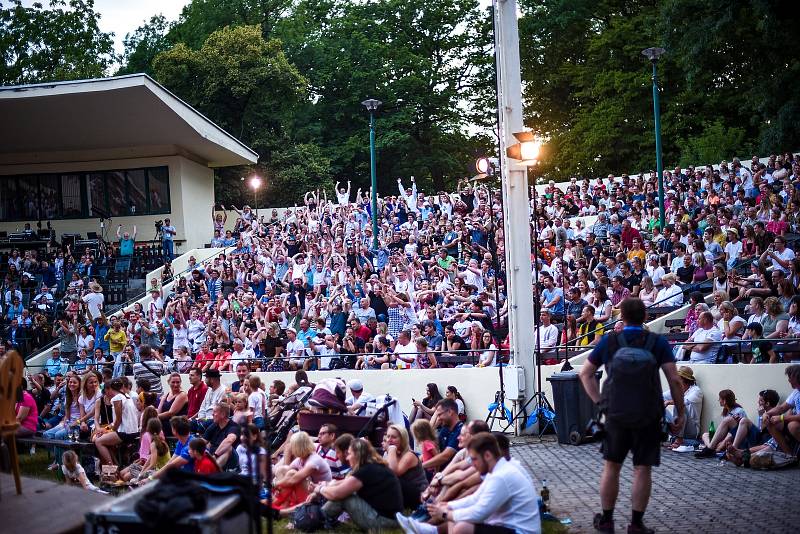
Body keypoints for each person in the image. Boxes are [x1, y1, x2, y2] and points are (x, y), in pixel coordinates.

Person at [579, 298, 685, 534]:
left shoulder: (609, 341)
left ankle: (606, 521)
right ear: (645, 316)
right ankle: (636, 524)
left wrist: (601, 403)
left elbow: (585, 374)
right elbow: (675, 380)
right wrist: (681, 412)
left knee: (612, 466)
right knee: (642, 468)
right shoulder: (657, 342)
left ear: (622, 317)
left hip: (616, 413)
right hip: (648, 414)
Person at [396, 432, 541, 534]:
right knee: (457, 518)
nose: (473, 465)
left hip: (520, 531)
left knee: (462, 527)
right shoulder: (497, 470)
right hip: (509, 526)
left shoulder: (501, 476)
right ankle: (428, 531)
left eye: (474, 459)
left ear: (488, 455)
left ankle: (428, 531)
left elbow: (479, 513)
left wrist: (445, 514)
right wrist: (449, 506)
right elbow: (476, 498)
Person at [314, 438, 403, 531]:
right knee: (345, 492)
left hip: (384, 523)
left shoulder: (366, 470)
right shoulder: (374, 467)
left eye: (349, 454)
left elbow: (337, 493)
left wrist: (320, 489)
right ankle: (320, 517)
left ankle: (318, 519)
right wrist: (326, 485)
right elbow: (344, 483)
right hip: (391, 520)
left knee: (345, 497)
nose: (347, 458)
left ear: (357, 455)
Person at [384, 423, 428, 508]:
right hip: (403, 492)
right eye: (388, 436)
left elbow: (393, 473)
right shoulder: (391, 454)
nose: (389, 440)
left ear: (402, 439)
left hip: (419, 495)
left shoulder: (410, 455)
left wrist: (391, 449)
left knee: (391, 479)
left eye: (393, 437)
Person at [663, 366, 703, 448]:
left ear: (684, 380)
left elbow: (685, 402)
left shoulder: (696, 391)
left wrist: (669, 402)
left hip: (692, 430)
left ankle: (679, 440)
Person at [424, 399, 463, 472]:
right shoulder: (445, 429)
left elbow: (445, 456)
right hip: (441, 473)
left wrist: (420, 466)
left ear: (450, 412)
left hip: (453, 474)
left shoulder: (460, 431)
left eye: (439, 415)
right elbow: (435, 449)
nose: (438, 418)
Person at [202, 402, 241, 470]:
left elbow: (229, 440)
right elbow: (202, 442)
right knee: (202, 446)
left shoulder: (234, 426)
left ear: (223, 414)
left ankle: (212, 470)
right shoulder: (214, 425)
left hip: (231, 460)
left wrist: (215, 456)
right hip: (213, 456)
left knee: (228, 447)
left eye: (214, 412)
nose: (212, 414)